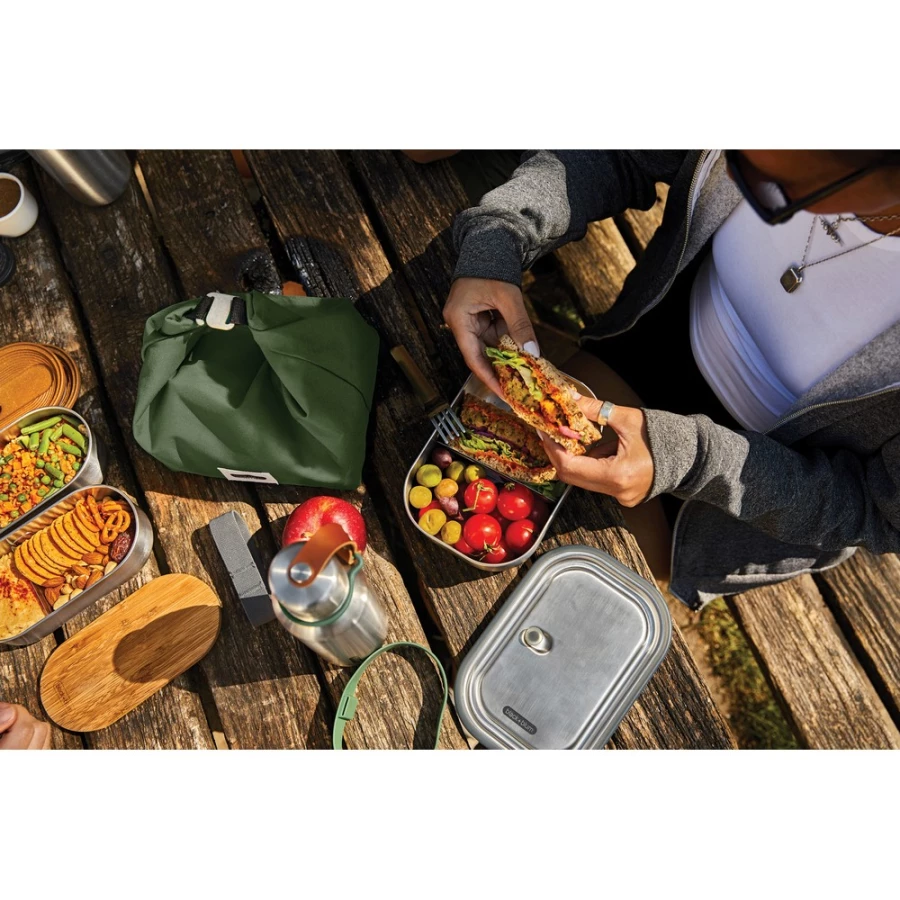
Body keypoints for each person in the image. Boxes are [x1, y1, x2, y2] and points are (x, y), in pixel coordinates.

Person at [439, 150, 900, 609]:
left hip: (741, 504)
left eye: (769, 185)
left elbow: (877, 511)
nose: (733, 172)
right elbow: (618, 153)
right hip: (643, 346)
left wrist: (691, 460)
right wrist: (500, 238)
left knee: (553, 602)